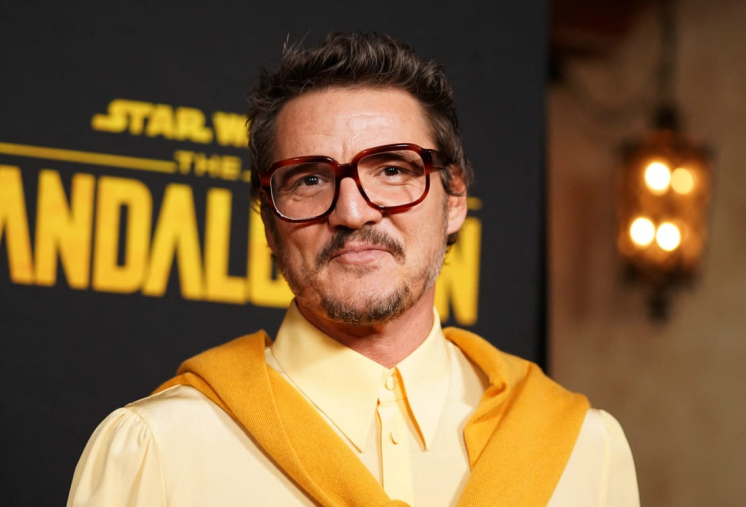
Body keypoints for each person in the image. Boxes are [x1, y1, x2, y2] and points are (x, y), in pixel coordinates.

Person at [67, 32, 639, 507]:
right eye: (310, 179)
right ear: (268, 222)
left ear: (455, 198)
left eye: (392, 170)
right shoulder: (158, 450)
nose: (353, 211)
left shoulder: (584, 450)